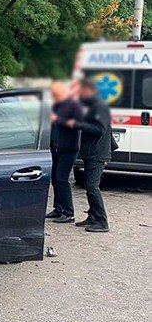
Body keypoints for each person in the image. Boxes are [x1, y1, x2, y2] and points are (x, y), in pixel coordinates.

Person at [65, 78, 113, 232]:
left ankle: (101, 221)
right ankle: (93, 216)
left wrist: (77, 124)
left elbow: (100, 129)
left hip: (97, 153)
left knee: (92, 186)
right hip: (91, 151)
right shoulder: (92, 105)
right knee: (89, 185)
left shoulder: (99, 106)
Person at [46, 82, 83, 223]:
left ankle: (69, 212)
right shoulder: (55, 105)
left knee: (62, 178)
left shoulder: (74, 105)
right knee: (55, 178)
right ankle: (58, 208)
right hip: (55, 146)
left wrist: (59, 120)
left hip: (68, 147)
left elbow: (78, 124)